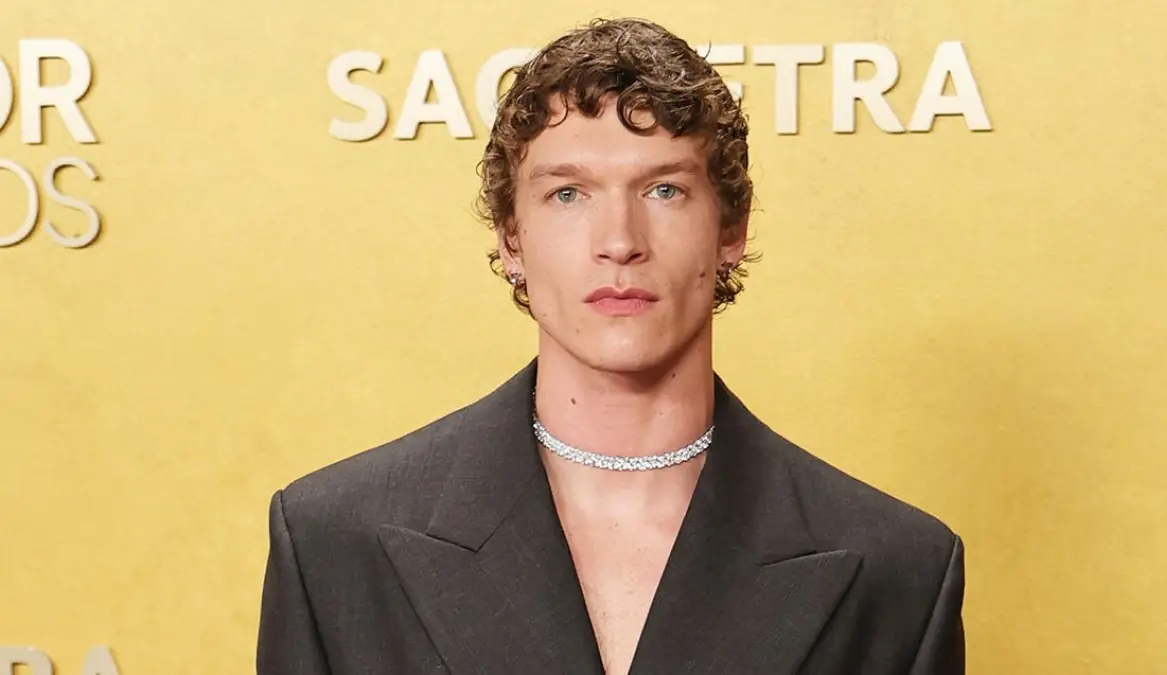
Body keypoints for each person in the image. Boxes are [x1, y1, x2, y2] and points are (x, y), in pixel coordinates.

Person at [256, 17, 965, 675]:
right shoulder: (332, 543)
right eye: (569, 194)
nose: (619, 241)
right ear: (511, 238)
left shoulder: (898, 570)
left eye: (664, 190)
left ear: (731, 229)